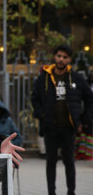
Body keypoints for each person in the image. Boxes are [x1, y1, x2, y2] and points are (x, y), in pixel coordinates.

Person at [32, 44, 93, 195]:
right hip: (50, 127)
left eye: (64, 57)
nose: (61, 59)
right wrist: (41, 115)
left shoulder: (77, 78)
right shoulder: (44, 77)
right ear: (55, 56)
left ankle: (71, 192)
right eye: (59, 56)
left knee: (69, 162)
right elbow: (35, 99)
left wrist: (84, 119)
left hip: (69, 127)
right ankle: (51, 192)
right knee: (51, 162)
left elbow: (89, 99)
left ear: (69, 59)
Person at [74, 70, 93, 160]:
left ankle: (87, 154)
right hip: (86, 112)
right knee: (84, 133)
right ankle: (81, 153)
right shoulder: (87, 84)